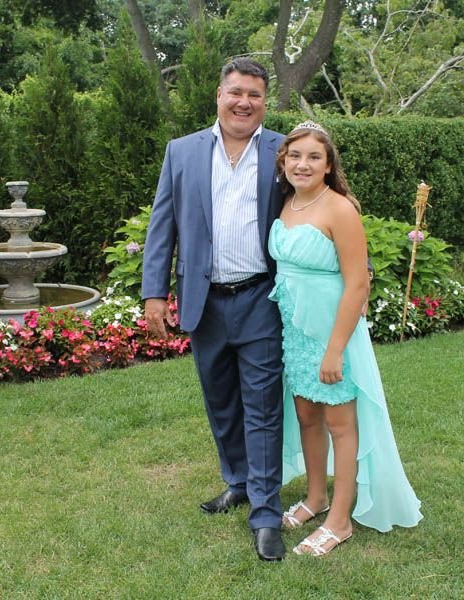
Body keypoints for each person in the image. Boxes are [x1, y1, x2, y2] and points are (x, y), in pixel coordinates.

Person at [141, 58, 287, 561]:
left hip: (261, 299)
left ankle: (266, 513)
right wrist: (154, 293)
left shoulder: (282, 151)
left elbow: (322, 200)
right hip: (204, 303)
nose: (244, 102)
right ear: (219, 96)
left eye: (255, 95)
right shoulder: (181, 152)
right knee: (221, 401)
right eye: (236, 92)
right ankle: (239, 481)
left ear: (265, 103)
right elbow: (163, 226)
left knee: (263, 409)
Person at [267, 121, 423, 556]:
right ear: (283, 161)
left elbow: (357, 284)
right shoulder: (287, 204)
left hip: (331, 332)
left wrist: (335, 348)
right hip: (295, 333)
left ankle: (340, 518)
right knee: (306, 416)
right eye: (295, 156)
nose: (303, 164)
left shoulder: (340, 210)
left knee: (340, 423)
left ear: (328, 164)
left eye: (314, 157)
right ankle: (315, 498)